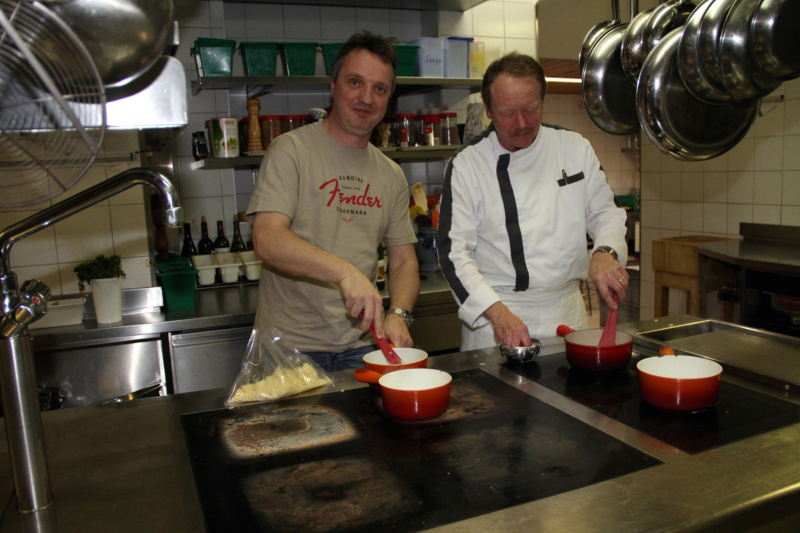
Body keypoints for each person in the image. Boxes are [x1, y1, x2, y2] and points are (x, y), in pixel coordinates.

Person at [246, 31, 420, 371]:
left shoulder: (390, 174)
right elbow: (267, 239)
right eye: (355, 82)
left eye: (379, 89)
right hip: (289, 347)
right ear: (333, 85)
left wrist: (399, 314)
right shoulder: (291, 151)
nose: (366, 98)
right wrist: (345, 272)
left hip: (363, 345)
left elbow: (403, 261)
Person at [437, 52, 629, 351]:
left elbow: (608, 213)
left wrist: (606, 252)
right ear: (488, 109)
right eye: (508, 113)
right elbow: (453, 254)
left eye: (531, 109)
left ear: (543, 101)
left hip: (568, 312)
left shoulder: (574, 148)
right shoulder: (467, 165)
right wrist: (497, 314)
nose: (522, 123)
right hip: (496, 318)